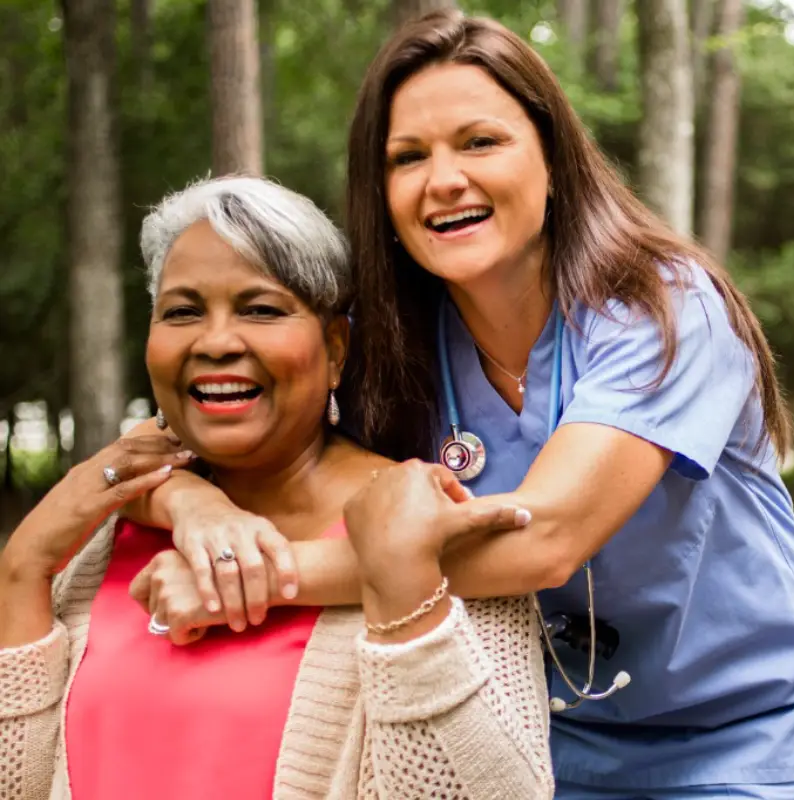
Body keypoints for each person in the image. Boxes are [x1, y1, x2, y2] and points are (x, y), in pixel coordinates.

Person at [127, 11, 794, 800]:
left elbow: (544, 539)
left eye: (479, 142)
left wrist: (246, 580)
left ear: (552, 157)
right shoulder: (390, 350)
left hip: (751, 741)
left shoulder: (663, 307)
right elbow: (176, 446)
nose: (443, 180)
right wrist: (196, 507)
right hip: (538, 749)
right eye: (407, 157)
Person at [0, 175, 556, 799]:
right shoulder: (104, 536)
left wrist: (403, 587)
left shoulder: (429, 521)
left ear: (336, 348)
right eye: (182, 311)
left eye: (260, 309)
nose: (215, 343)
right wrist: (21, 570)